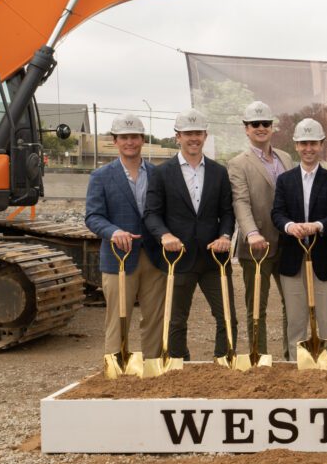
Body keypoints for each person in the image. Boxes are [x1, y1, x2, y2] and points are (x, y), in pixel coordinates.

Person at [143, 108, 237, 360]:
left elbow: (227, 212)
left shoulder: (219, 172)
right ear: (177, 137)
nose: (193, 138)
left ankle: (224, 363)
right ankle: (179, 365)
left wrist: (225, 236)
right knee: (175, 320)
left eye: (197, 133)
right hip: (178, 258)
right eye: (187, 134)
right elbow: (151, 213)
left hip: (214, 259)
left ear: (205, 135)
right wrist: (164, 236)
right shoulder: (162, 173)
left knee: (227, 316)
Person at [85, 113, 164, 359]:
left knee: (155, 319)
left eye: (134, 137)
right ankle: (117, 369)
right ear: (115, 141)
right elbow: (93, 217)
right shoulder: (101, 176)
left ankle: (153, 368)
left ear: (142, 139)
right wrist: (114, 231)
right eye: (124, 137)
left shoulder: (157, 174)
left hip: (153, 257)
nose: (129, 142)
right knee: (118, 318)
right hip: (119, 258)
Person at [271, 118, 327, 360]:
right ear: (296, 145)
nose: (308, 148)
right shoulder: (285, 180)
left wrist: (318, 226)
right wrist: (290, 226)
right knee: (295, 322)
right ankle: (297, 371)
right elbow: (277, 213)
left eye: (313, 143)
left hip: (326, 260)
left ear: (322, 144)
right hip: (293, 261)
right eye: (303, 143)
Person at [228, 100, 294, 359]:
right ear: (246, 128)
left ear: (272, 127)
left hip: (288, 244)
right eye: (255, 124)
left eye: (265, 123)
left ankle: (292, 357)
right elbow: (241, 201)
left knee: (293, 304)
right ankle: (260, 358)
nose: (261, 128)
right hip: (257, 246)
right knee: (257, 307)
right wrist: (251, 233)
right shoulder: (238, 163)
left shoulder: (286, 158)